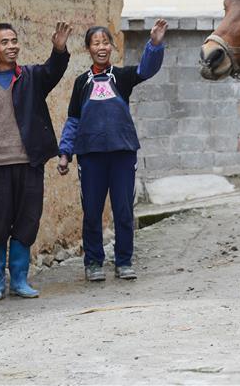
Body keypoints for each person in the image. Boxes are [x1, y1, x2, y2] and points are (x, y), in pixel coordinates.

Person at [0, 21, 72, 302]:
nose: (11, 46)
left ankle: (20, 280)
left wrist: (59, 51)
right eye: (4, 42)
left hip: (29, 163)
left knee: (27, 221)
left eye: (14, 41)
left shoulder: (31, 77)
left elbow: (53, 71)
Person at [57, 20, 168, 282]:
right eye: (96, 43)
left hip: (122, 153)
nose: (101, 47)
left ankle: (124, 261)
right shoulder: (82, 83)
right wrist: (65, 152)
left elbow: (146, 70)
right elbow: (73, 120)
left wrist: (154, 44)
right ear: (88, 49)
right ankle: (93, 262)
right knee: (92, 211)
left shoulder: (121, 77)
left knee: (123, 210)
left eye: (105, 42)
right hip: (90, 156)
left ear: (112, 47)